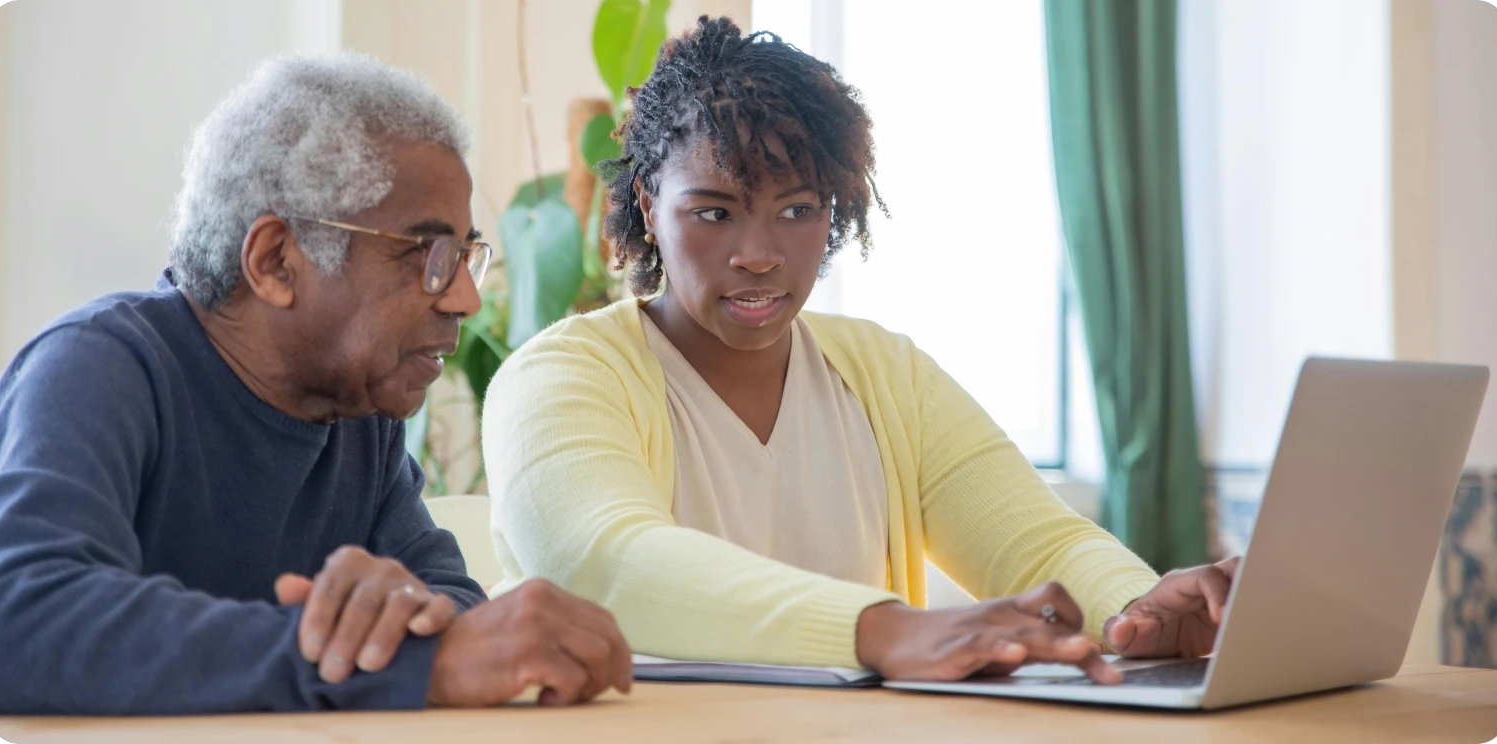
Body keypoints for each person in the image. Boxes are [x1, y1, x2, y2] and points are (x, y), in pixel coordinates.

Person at [482, 17, 1238, 685]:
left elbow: (1036, 541)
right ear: (648, 205)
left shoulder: (887, 375)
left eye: (798, 211)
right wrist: (885, 630)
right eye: (713, 212)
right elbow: (606, 563)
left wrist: (1137, 611)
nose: (760, 254)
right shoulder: (560, 379)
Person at [0, 54, 630, 714]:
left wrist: (404, 618)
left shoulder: (359, 414)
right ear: (275, 262)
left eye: (466, 256)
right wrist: (377, 663)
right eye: (429, 255)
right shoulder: (99, 368)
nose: (464, 297)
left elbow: (451, 607)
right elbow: (14, 616)